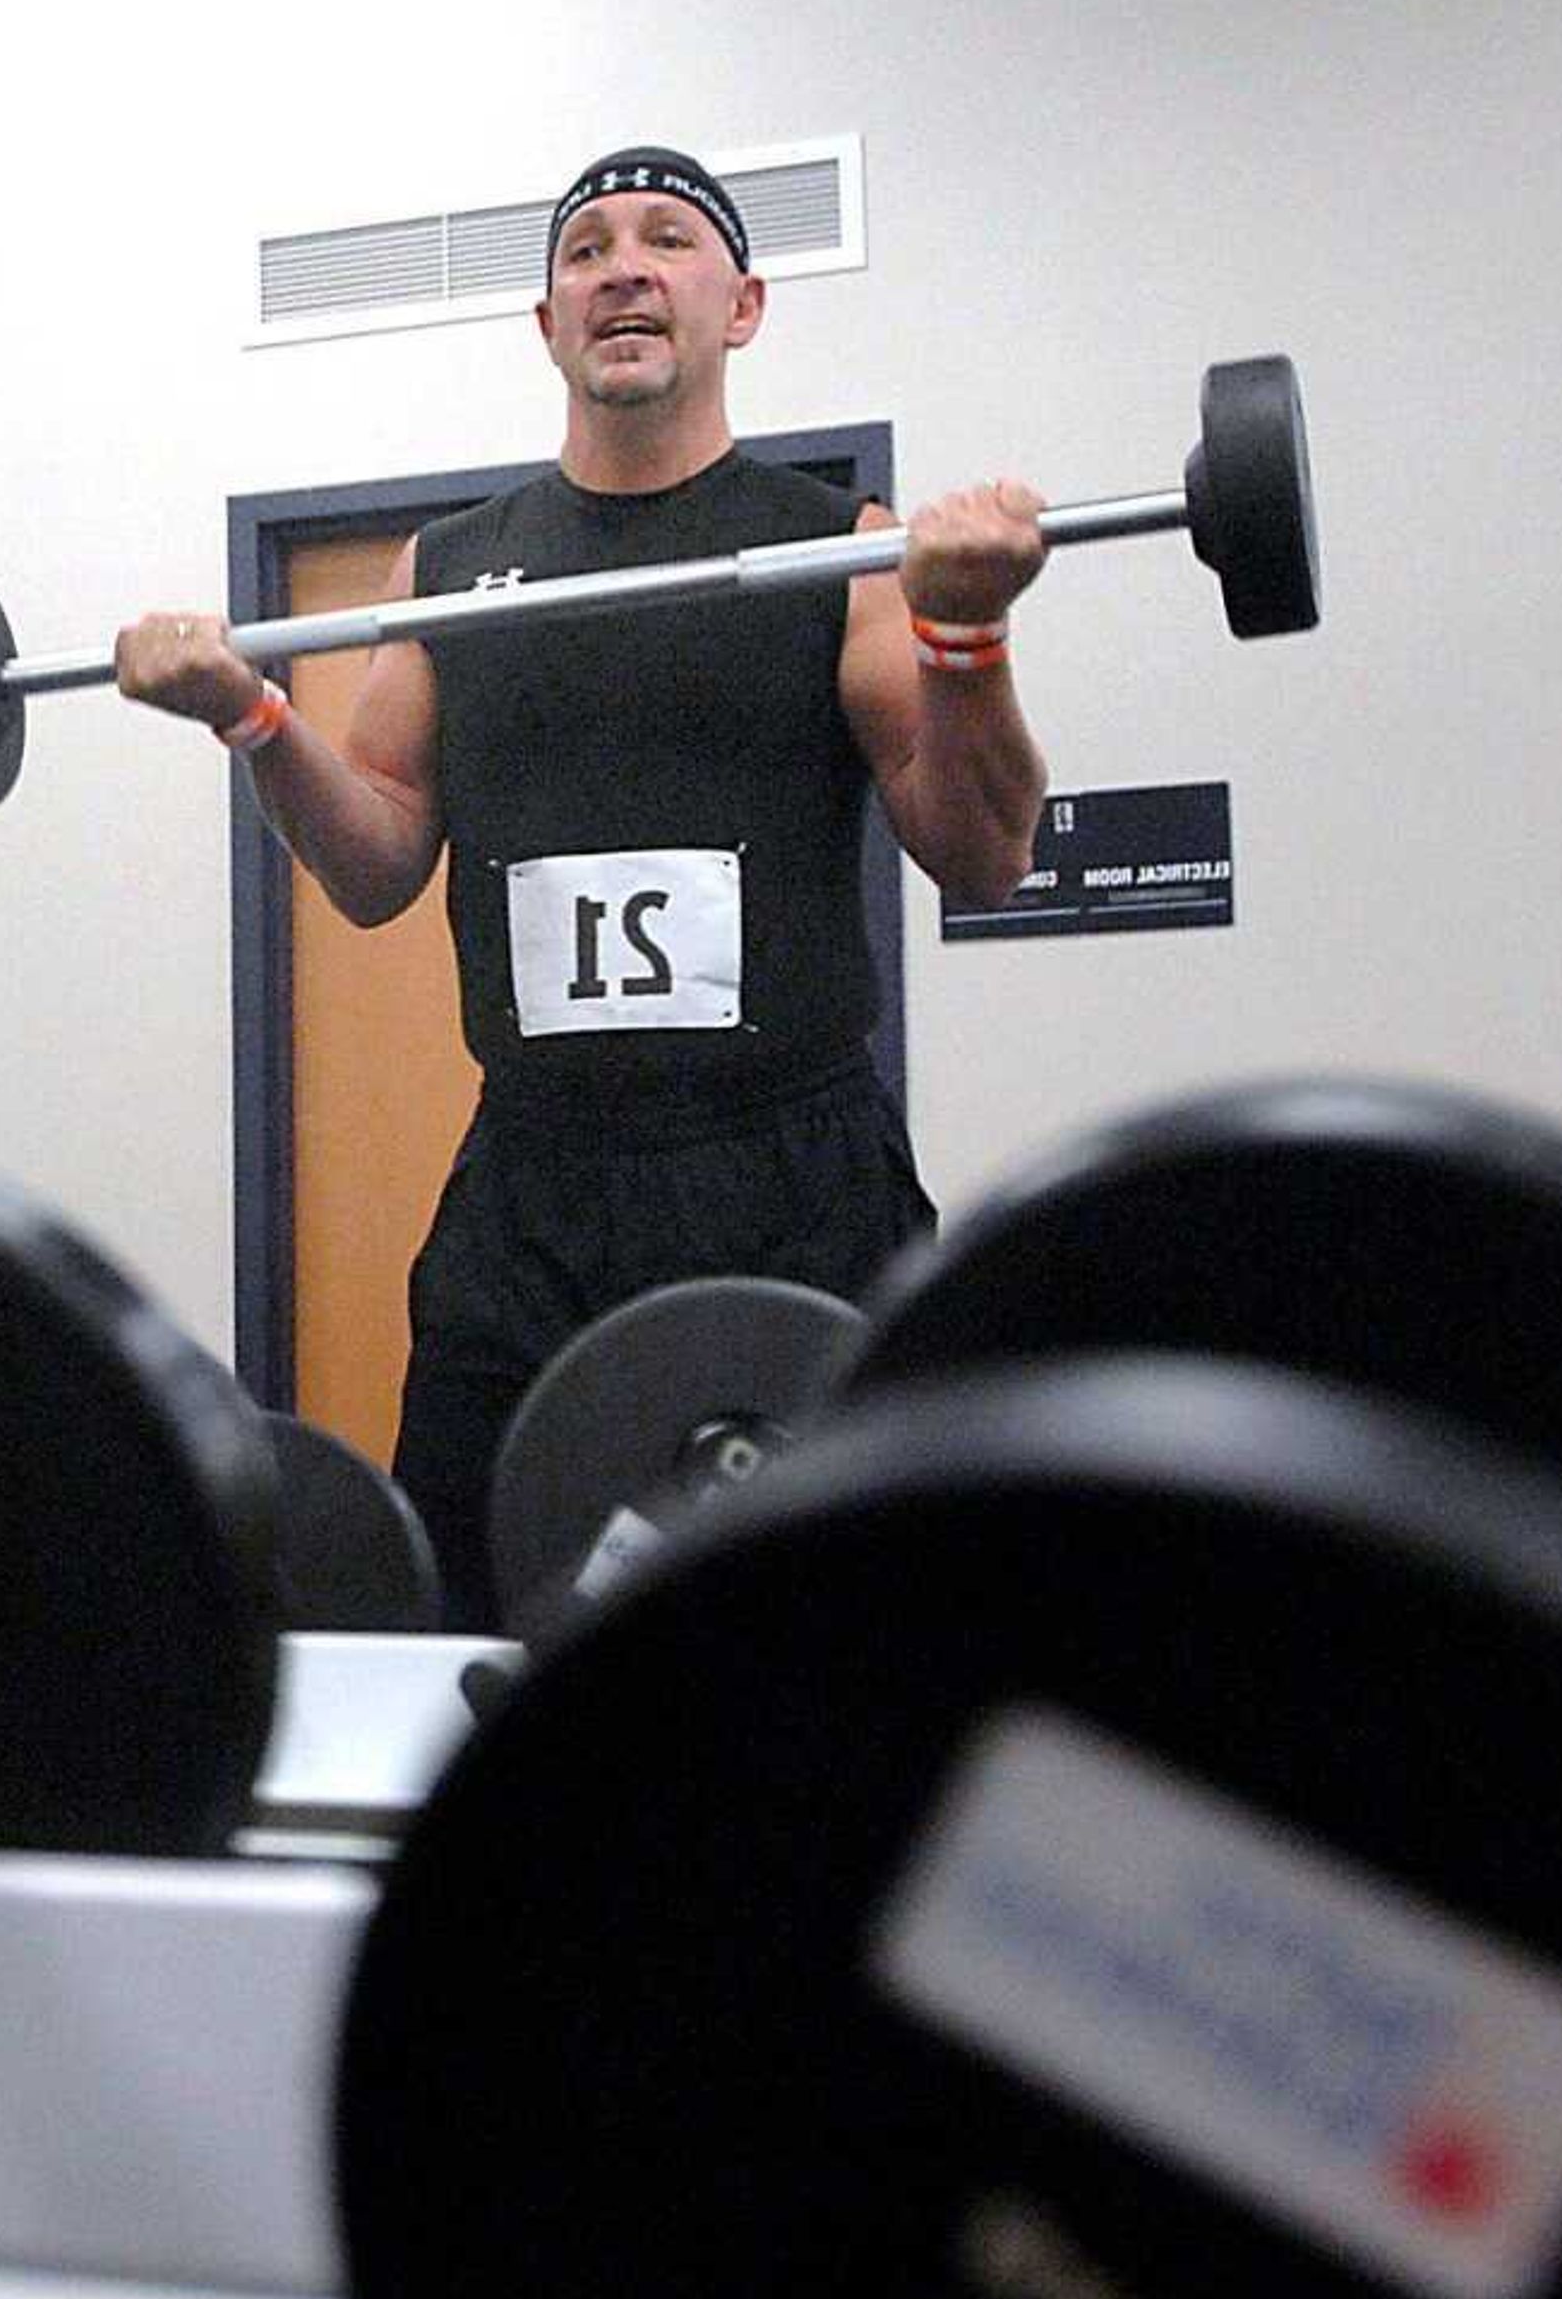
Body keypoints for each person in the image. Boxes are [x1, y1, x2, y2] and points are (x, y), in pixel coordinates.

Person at [114, 146, 1047, 1630]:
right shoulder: (453, 568)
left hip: (796, 1180)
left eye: (667, 240)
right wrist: (255, 718)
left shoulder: (844, 548)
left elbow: (984, 851)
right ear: (547, 324)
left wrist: (967, 641)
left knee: (847, 1613)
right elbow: (374, 865)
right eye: (587, 249)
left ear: (738, 305)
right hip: (532, 1195)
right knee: (472, 1606)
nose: (622, 266)